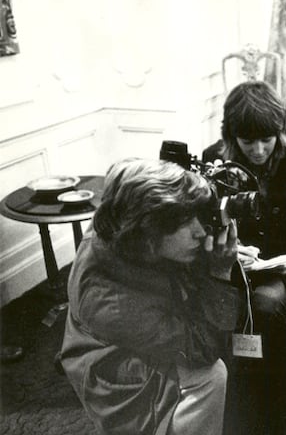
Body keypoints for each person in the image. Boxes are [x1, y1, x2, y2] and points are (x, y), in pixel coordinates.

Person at [60, 158, 242, 435]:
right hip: (112, 370)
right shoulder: (113, 303)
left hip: (129, 328)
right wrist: (219, 272)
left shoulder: (120, 221)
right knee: (211, 374)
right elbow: (203, 350)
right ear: (147, 231)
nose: (200, 231)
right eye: (185, 222)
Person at [202, 80, 286, 318]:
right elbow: (206, 220)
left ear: (280, 132)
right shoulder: (214, 158)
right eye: (248, 142)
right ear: (232, 137)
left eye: (267, 139)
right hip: (233, 260)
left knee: (265, 305)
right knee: (211, 302)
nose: (259, 150)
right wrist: (231, 249)